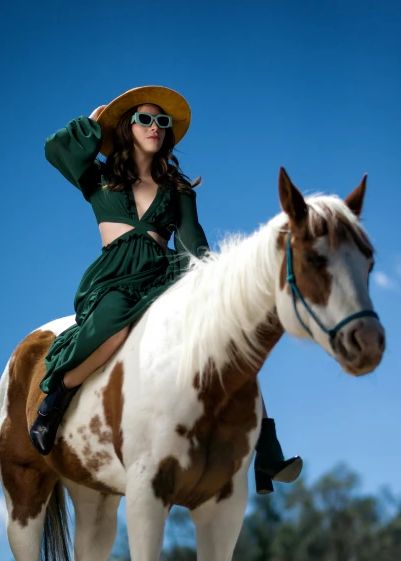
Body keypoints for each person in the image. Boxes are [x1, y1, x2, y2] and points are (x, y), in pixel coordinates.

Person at [29, 86, 302, 494]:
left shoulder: (178, 189)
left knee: (228, 337)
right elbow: (56, 150)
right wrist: (91, 125)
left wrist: (213, 286)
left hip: (165, 272)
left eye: (161, 121)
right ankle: (56, 400)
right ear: (127, 127)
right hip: (116, 277)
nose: (154, 127)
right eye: (144, 119)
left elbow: (193, 243)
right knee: (113, 327)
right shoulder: (98, 178)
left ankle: (264, 446)